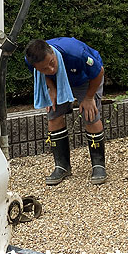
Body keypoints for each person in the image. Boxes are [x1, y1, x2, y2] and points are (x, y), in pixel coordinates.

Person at [24, 37, 107, 185]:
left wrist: (88, 98)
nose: (50, 69)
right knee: (53, 114)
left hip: (85, 79)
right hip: (58, 81)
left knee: (90, 115)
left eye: (51, 63)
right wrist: (52, 88)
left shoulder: (76, 54)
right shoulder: (30, 61)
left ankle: (98, 165)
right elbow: (44, 75)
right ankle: (62, 166)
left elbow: (98, 71)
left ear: (52, 53)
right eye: (44, 68)